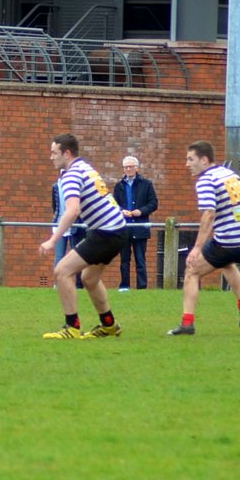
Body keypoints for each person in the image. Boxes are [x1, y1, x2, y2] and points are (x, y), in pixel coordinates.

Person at [38, 132, 129, 340]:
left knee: (62, 271)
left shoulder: (71, 175)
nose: (51, 157)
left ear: (67, 153)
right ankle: (109, 325)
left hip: (106, 232)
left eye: (54, 153)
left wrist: (53, 240)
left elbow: (72, 210)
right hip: (116, 229)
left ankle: (72, 327)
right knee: (89, 278)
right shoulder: (84, 167)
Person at [172, 140, 240, 336]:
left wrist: (197, 248)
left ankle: (187, 324)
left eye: (190, 159)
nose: (186, 164)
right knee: (226, 263)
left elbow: (209, 213)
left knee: (192, 271)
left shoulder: (205, 180)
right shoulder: (230, 175)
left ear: (204, 160)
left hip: (229, 241)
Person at [112, 154, 158, 290]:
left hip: (140, 227)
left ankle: (142, 287)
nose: (128, 169)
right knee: (124, 260)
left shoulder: (146, 184)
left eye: (131, 167)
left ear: (136, 168)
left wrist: (141, 211)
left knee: (140, 260)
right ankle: (124, 286)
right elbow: (114, 204)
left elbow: (153, 203)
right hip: (124, 227)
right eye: (126, 167)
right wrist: (121, 211)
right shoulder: (119, 186)